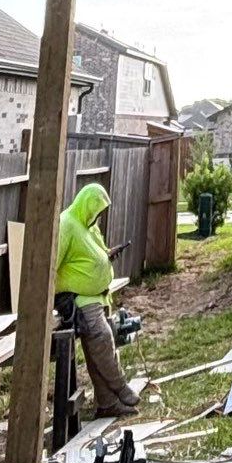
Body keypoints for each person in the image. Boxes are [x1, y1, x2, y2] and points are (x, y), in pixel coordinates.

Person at [55, 179, 145, 420]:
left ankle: (107, 403)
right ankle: (120, 388)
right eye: (96, 210)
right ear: (86, 205)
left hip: (98, 295)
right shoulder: (67, 224)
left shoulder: (88, 226)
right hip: (78, 298)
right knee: (102, 339)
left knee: (104, 345)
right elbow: (53, 264)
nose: (98, 216)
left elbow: (95, 251)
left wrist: (107, 256)